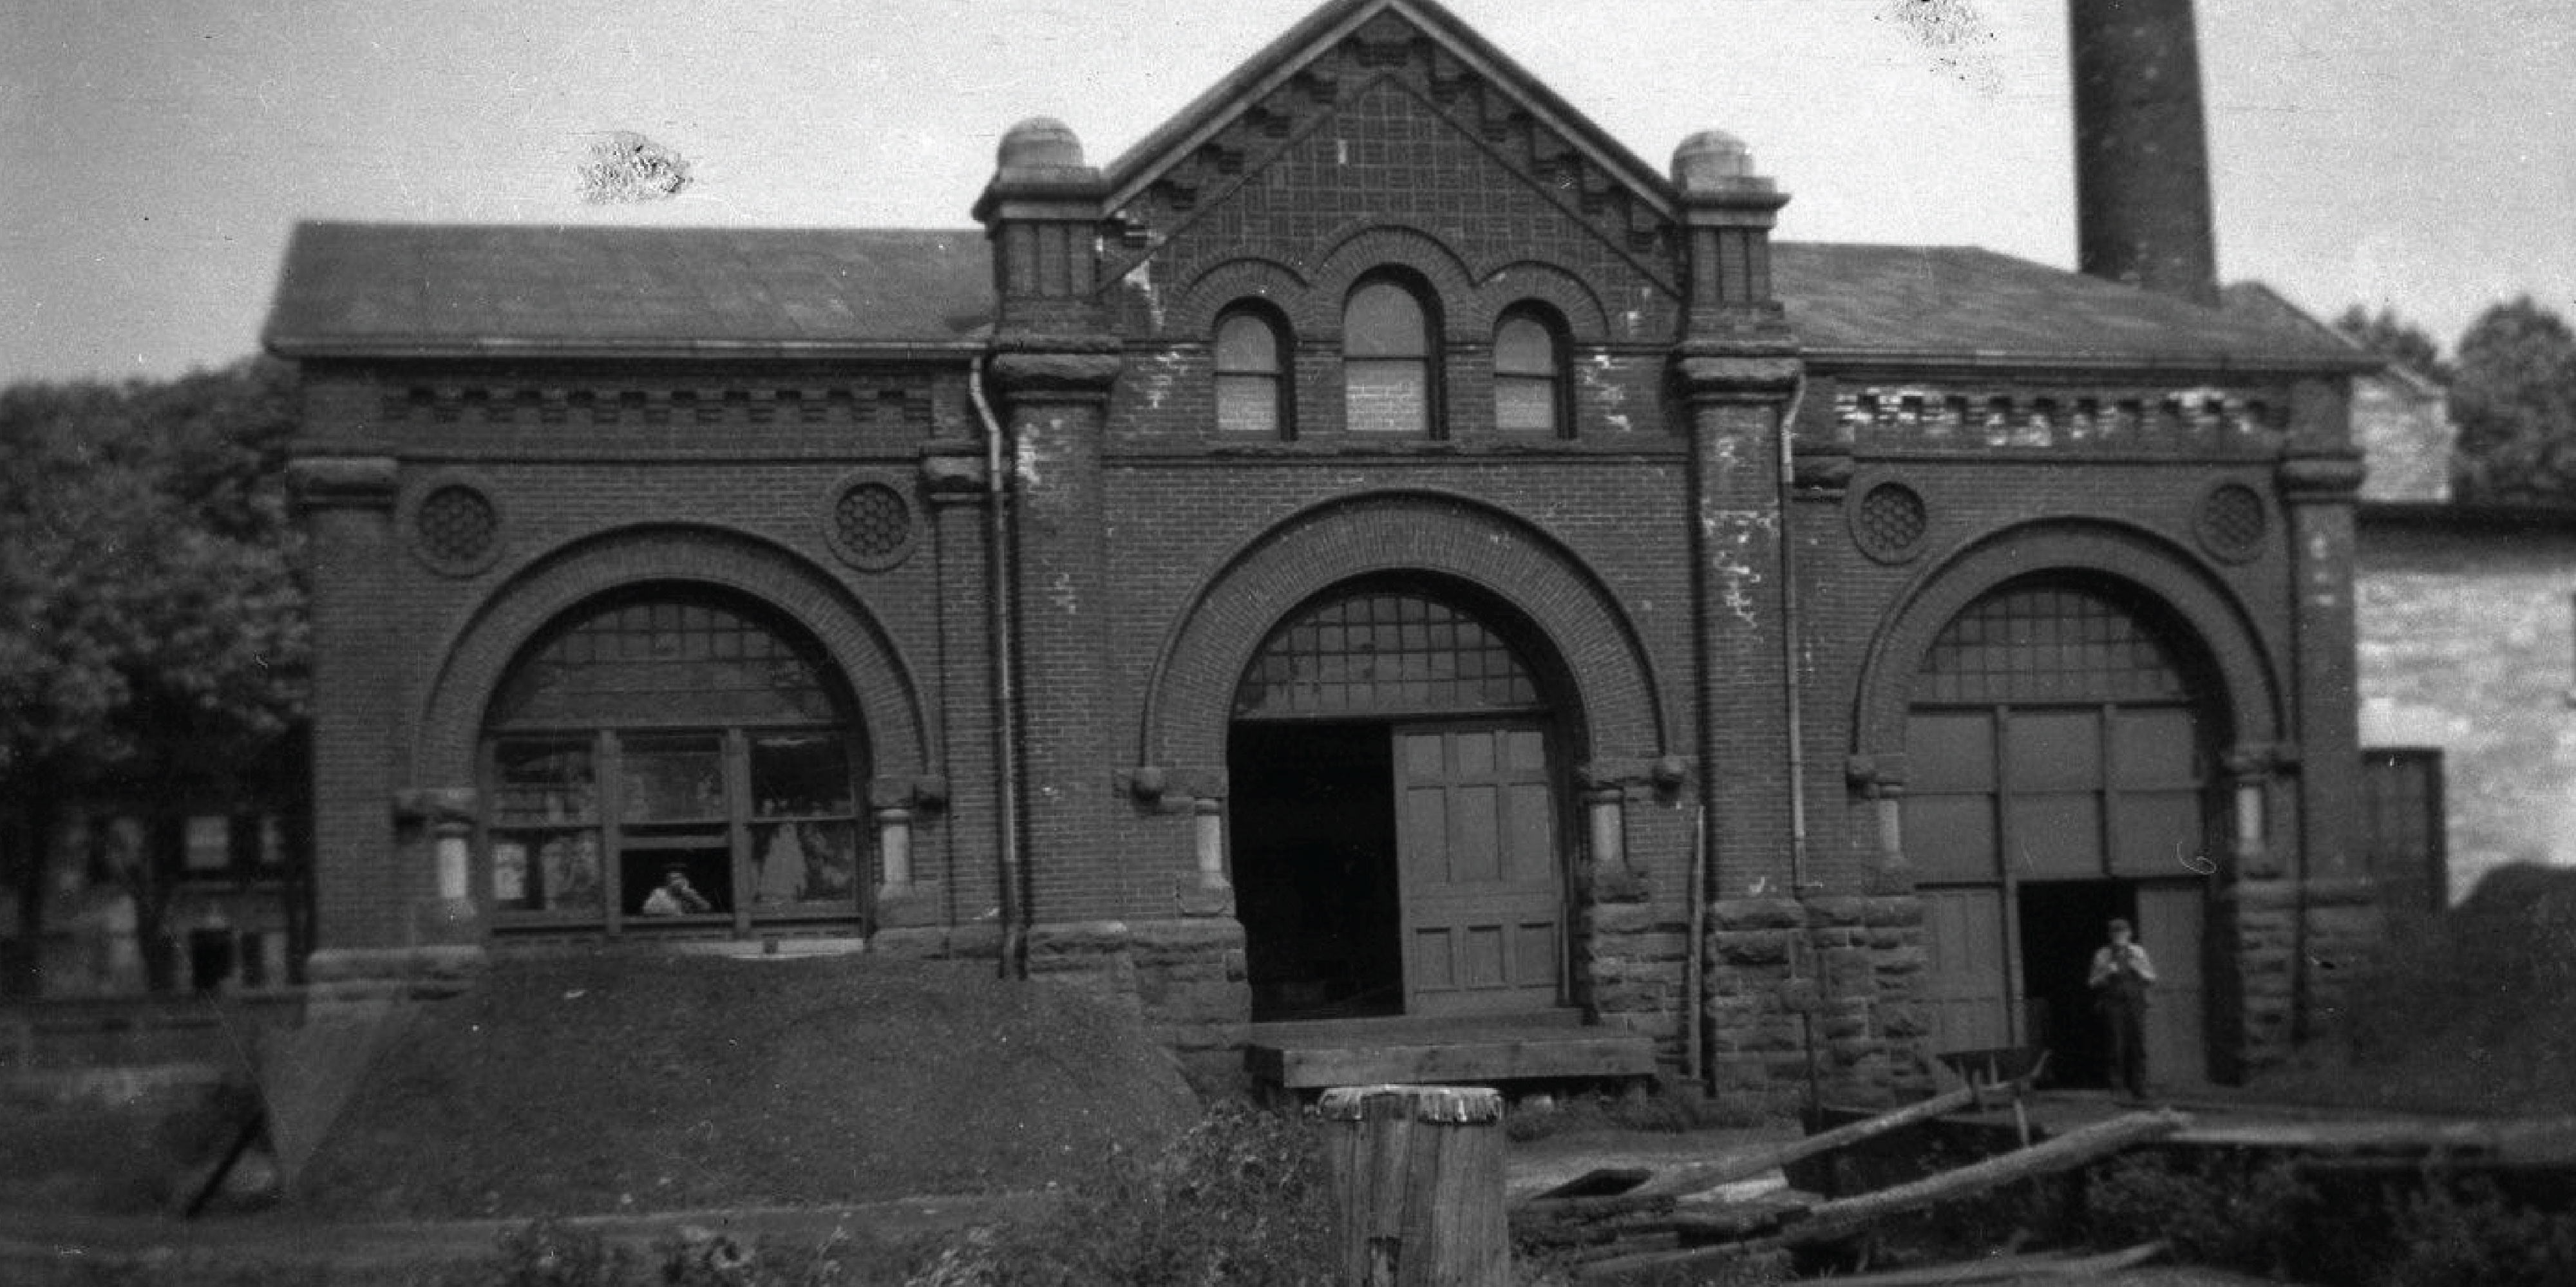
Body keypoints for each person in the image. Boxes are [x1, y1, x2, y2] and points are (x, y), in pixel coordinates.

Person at [2088, 917, 2157, 1100]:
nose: (2120, 936)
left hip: (2135, 1001)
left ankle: (2139, 1087)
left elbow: (2151, 977)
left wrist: (2140, 970)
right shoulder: (2102, 954)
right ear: (2110, 935)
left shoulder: (2138, 952)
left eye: (2123, 932)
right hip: (2113, 1002)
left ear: (2129, 934)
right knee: (2115, 1045)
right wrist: (2105, 973)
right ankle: (2116, 1087)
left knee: (2138, 1044)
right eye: (2116, 932)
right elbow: (2092, 982)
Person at [639, 867, 712, 916]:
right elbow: (647, 911)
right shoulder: (659, 894)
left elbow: (707, 909)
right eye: (675, 879)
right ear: (668, 883)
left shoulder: (690, 893)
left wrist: (693, 898)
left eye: (681, 878)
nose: (679, 882)